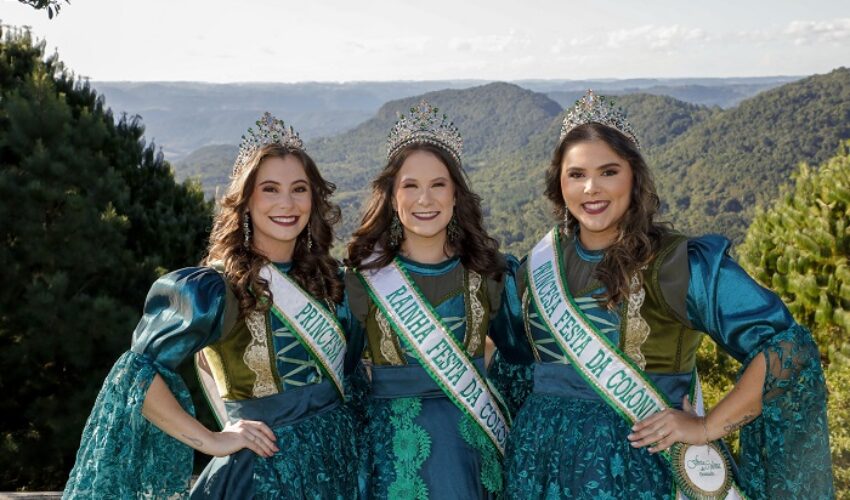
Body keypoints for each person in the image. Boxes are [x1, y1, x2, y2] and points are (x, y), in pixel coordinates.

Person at [503, 91, 834, 499]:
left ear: (634, 176)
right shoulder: (536, 265)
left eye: (609, 171)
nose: (591, 188)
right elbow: (510, 360)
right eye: (576, 174)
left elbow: (787, 346)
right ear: (559, 182)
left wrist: (708, 425)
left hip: (637, 471)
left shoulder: (676, 263)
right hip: (539, 467)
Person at [63, 113, 361, 499]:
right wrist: (209, 440)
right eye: (270, 189)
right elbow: (135, 375)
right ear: (246, 201)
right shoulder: (215, 289)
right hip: (261, 477)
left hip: (340, 467)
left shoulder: (333, 279)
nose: (287, 203)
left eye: (299, 189)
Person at [344, 100, 532, 499]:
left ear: (455, 195)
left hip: (471, 451)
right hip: (391, 455)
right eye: (410, 186)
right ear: (393, 197)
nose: (424, 200)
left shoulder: (492, 274)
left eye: (438, 185)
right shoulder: (363, 280)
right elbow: (342, 370)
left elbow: (521, 360)